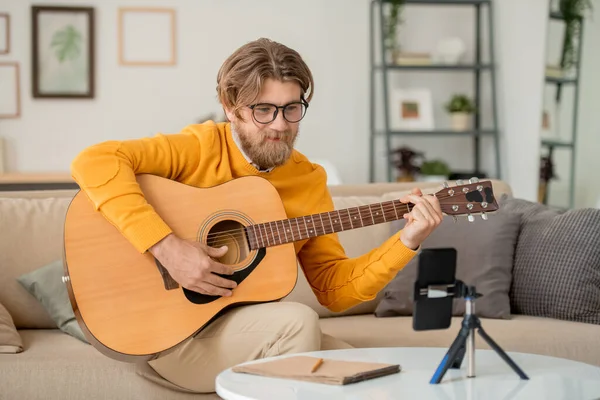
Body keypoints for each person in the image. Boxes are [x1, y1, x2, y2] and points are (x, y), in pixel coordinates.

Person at [70, 37, 443, 394]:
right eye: (263, 110)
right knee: (297, 322)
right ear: (230, 106)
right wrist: (167, 248)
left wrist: (406, 241)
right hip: (166, 336)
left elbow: (333, 289)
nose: (280, 125)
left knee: (372, 375)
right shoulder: (199, 148)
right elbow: (95, 160)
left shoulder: (308, 179)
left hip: (242, 332)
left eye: (291, 108)